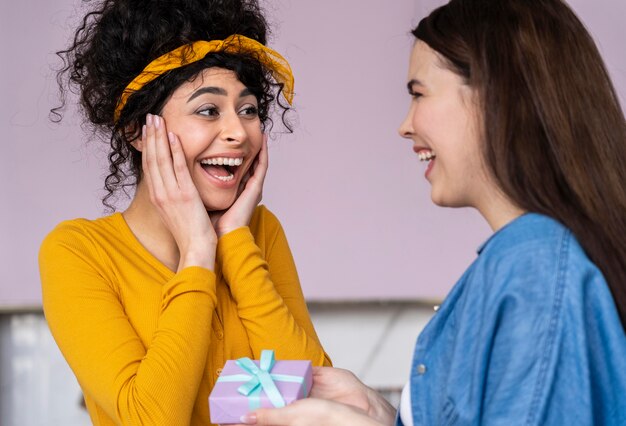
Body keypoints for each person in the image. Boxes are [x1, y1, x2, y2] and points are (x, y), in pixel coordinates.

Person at [233, 0, 626, 424]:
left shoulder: (535, 269)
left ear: (495, 97)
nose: (405, 124)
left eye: (419, 93)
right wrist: (383, 415)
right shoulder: (519, 264)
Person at [39, 0, 332, 424]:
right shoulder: (78, 252)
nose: (238, 132)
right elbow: (150, 418)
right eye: (208, 110)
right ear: (137, 130)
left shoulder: (258, 232)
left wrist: (234, 241)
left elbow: (323, 398)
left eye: (248, 109)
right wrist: (198, 249)